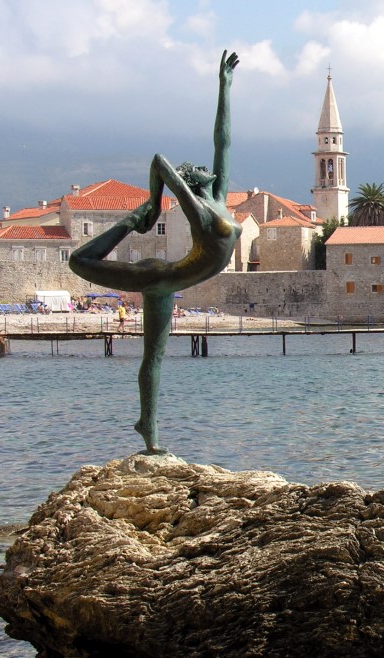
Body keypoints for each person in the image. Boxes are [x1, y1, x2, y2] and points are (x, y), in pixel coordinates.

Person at [69, 50, 241, 455]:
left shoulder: (217, 196)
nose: (194, 167)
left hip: (168, 280)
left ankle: (148, 423)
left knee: (155, 358)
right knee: (78, 261)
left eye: (194, 168)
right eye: (190, 169)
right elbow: (161, 162)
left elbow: (224, 140)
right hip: (157, 277)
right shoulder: (199, 211)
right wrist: (152, 202)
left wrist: (225, 86)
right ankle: (130, 221)